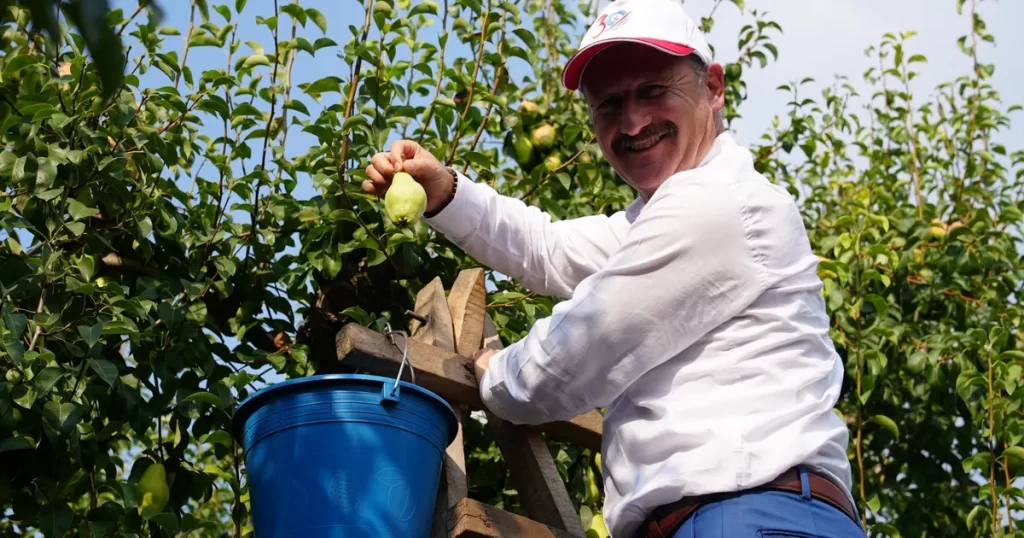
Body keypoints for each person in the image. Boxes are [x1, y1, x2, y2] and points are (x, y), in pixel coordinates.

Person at [364, 0, 867, 536]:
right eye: (608, 105)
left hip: (746, 514)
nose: (632, 121)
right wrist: (445, 191)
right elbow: (548, 249)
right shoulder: (665, 218)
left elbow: (574, 354)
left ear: (713, 88)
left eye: (654, 91)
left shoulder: (716, 206)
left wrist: (494, 372)